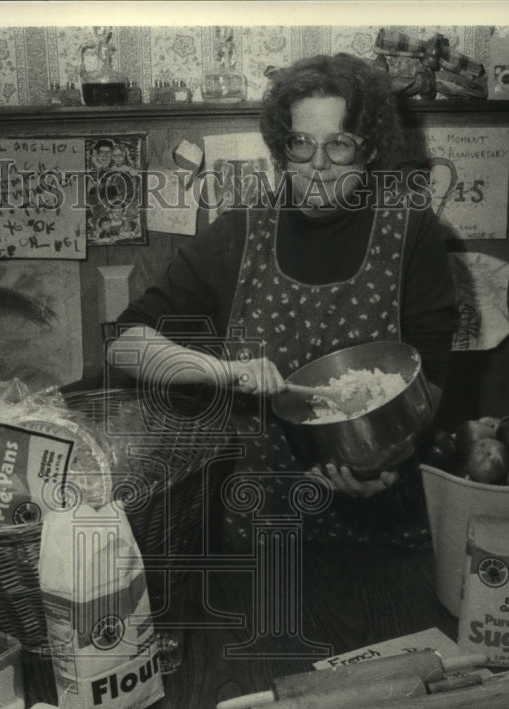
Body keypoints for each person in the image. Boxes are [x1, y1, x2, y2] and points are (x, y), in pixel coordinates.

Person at [108, 53, 458, 548]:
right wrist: (223, 372)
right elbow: (124, 346)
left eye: (339, 144)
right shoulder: (237, 233)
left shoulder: (412, 233)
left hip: (384, 512)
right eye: (301, 144)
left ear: (371, 149)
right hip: (262, 520)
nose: (317, 165)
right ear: (282, 146)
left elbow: (434, 375)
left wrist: (384, 458)